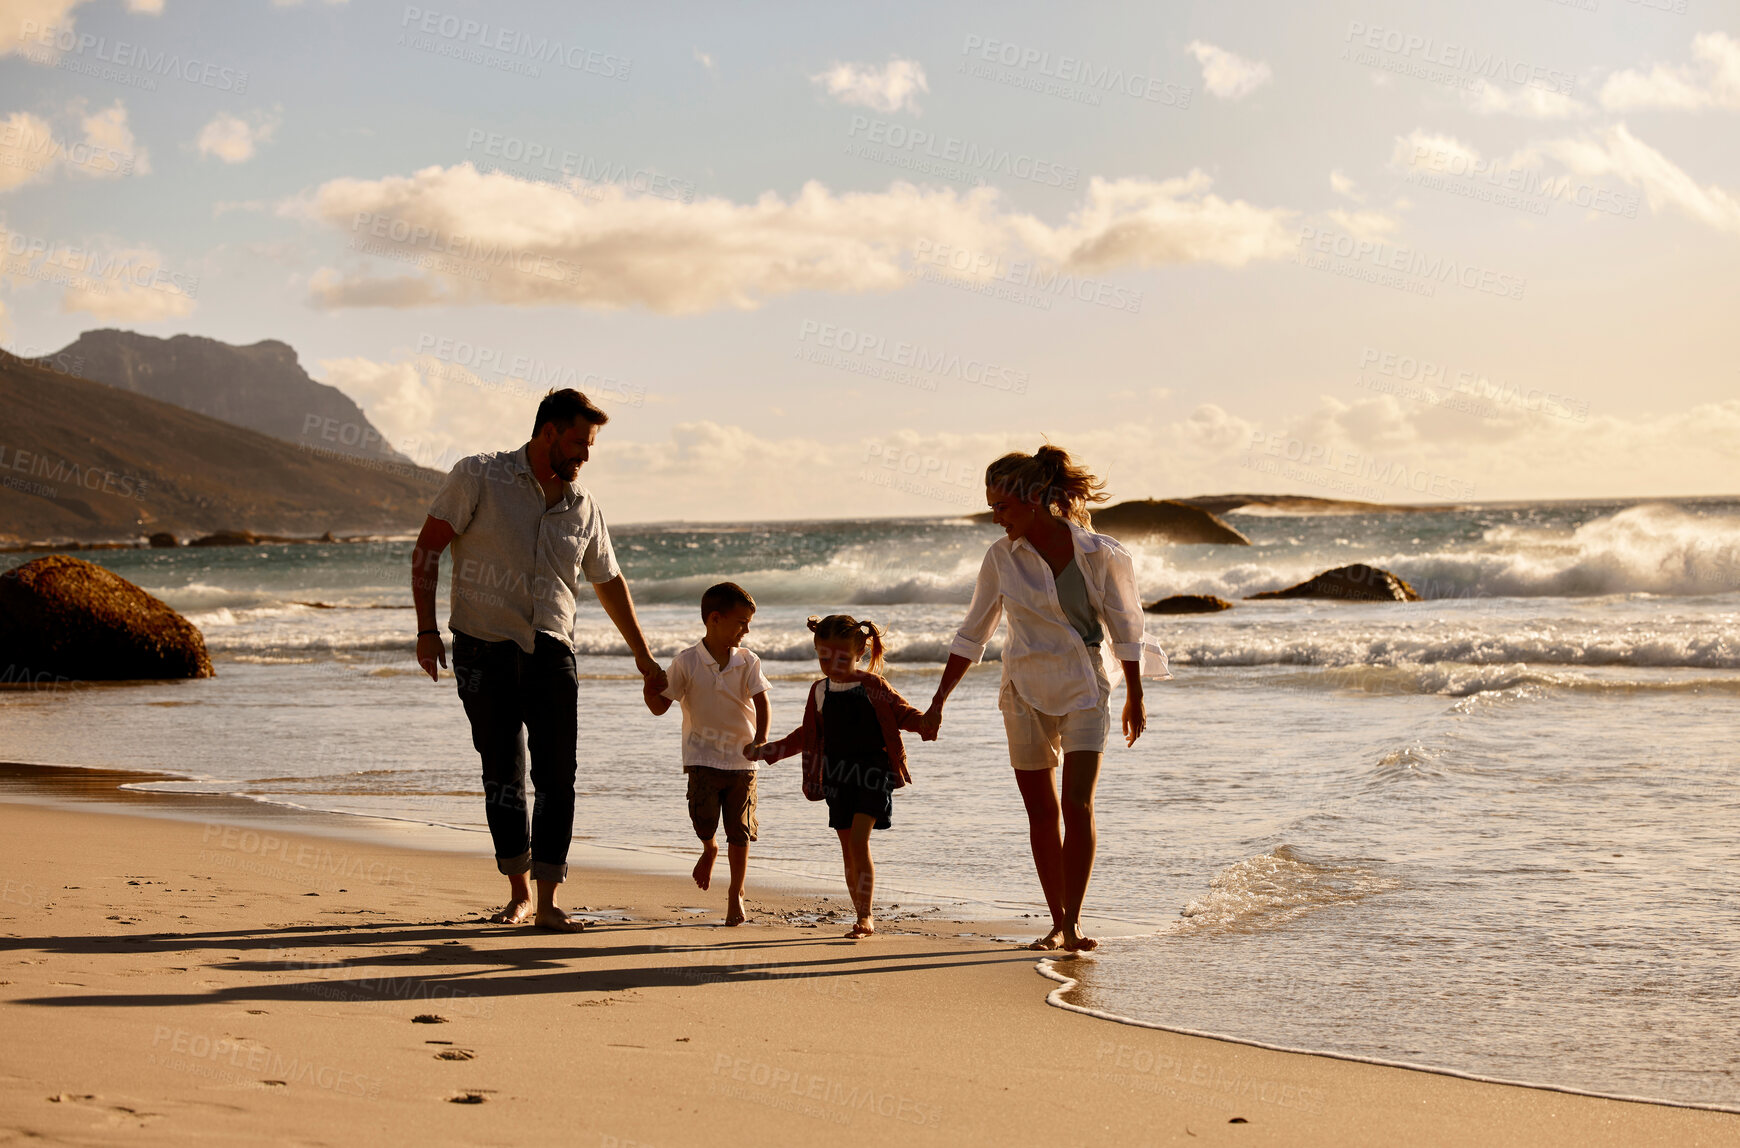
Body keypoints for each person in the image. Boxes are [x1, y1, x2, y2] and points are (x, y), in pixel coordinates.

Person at [412, 388, 666, 933]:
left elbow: (609, 581)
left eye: (590, 444)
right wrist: (426, 631)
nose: (585, 455)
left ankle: (549, 901)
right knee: (502, 773)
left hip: (553, 651)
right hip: (482, 646)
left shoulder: (583, 504)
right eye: (578, 442)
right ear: (548, 431)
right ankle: (518, 893)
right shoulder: (479, 475)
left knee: (558, 777)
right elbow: (428, 546)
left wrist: (644, 657)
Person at [920, 446, 1170, 952]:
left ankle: (1074, 922)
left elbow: (1127, 627)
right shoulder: (1000, 559)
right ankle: (1056, 921)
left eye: (1003, 508)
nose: (996, 519)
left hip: (1085, 686)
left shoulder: (1100, 553)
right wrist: (939, 700)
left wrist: (1135, 694)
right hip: (1024, 692)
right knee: (1041, 814)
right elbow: (974, 633)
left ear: (1035, 499)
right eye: (991, 509)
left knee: (1077, 805)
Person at [751, 615, 928, 939]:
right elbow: (808, 734)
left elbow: (901, 712)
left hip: (873, 775)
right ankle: (860, 912)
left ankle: (866, 916)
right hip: (836, 777)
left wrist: (925, 722)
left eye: (842, 658)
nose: (832, 664)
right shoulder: (820, 691)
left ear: (860, 651)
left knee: (859, 841)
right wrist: (770, 750)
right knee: (849, 849)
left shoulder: (873, 686)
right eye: (823, 657)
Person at [642, 581, 771, 927]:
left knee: (740, 831)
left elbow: (762, 702)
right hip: (701, 758)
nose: (746, 629)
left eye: (748, 623)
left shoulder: (748, 661)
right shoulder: (686, 662)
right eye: (741, 622)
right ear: (715, 619)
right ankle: (709, 848)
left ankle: (736, 893)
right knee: (703, 818)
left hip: (742, 761)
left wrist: (760, 739)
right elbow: (659, 707)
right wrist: (647, 688)